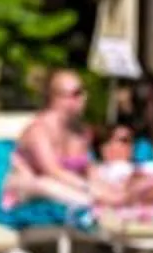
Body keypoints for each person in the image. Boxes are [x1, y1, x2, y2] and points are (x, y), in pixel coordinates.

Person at [7, 67, 99, 210]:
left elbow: (90, 171)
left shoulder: (81, 131)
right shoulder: (38, 130)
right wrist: (92, 190)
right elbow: (52, 171)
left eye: (83, 91)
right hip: (29, 197)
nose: (84, 98)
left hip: (69, 192)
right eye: (77, 93)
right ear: (55, 97)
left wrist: (116, 191)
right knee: (45, 184)